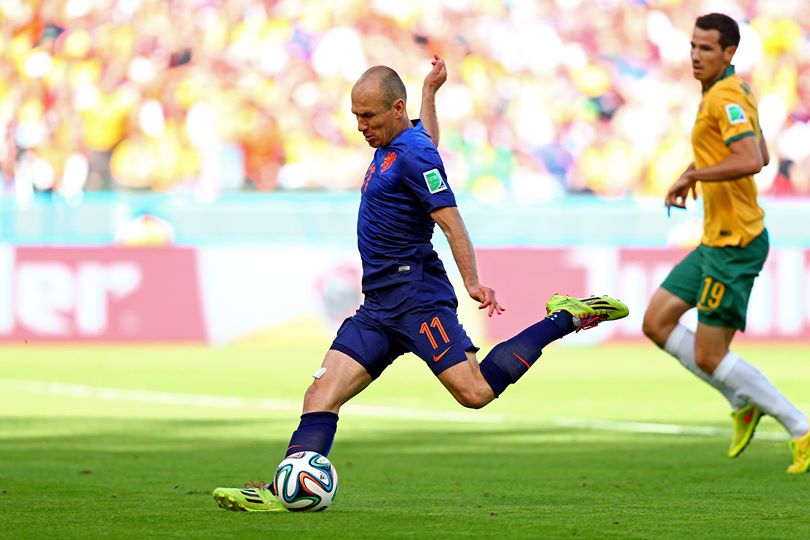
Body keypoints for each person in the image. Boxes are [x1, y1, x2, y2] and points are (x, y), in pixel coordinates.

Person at [213, 56, 628, 512]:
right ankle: (281, 492)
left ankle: (566, 317)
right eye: (355, 116)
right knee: (320, 393)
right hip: (379, 306)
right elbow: (426, 139)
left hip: (417, 299)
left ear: (394, 108)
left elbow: (451, 221)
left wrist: (472, 282)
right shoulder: (400, 142)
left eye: (367, 116)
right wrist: (431, 93)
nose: (360, 126)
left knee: (475, 393)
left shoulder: (411, 153)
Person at [642, 13, 809, 474]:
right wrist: (695, 171)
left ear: (729, 53)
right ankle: (742, 397)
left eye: (707, 49)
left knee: (710, 355)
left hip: (736, 243)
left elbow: (753, 159)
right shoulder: (727, 92)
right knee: (656, 322)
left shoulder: (728, 96)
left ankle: (800, 426)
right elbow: (762, 150)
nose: (696, 55)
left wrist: (696, 172)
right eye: (693, 46)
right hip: (715, 238)